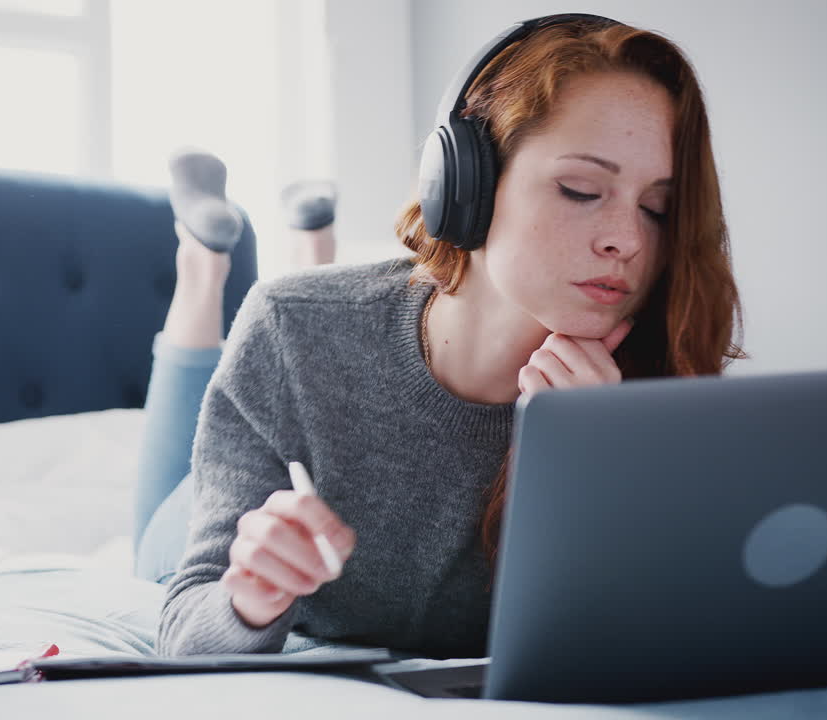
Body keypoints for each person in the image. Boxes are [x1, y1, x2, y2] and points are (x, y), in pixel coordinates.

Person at [151, 15, 744, 659]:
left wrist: (600, 476)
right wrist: (250, 595)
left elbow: (658, 645)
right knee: (172, 482)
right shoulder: (290, 325)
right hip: (192, 520)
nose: (627, 241)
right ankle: (204, 266)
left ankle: (308, 242)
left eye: (656, 208)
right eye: (581, 189)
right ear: (467, 184)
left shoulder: (659, 384)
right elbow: (186, 625)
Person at [132, 146, 338, 582]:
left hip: (236, 537)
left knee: (150, 558)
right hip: (320, 500)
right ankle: (308, 271)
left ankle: (206, 261)